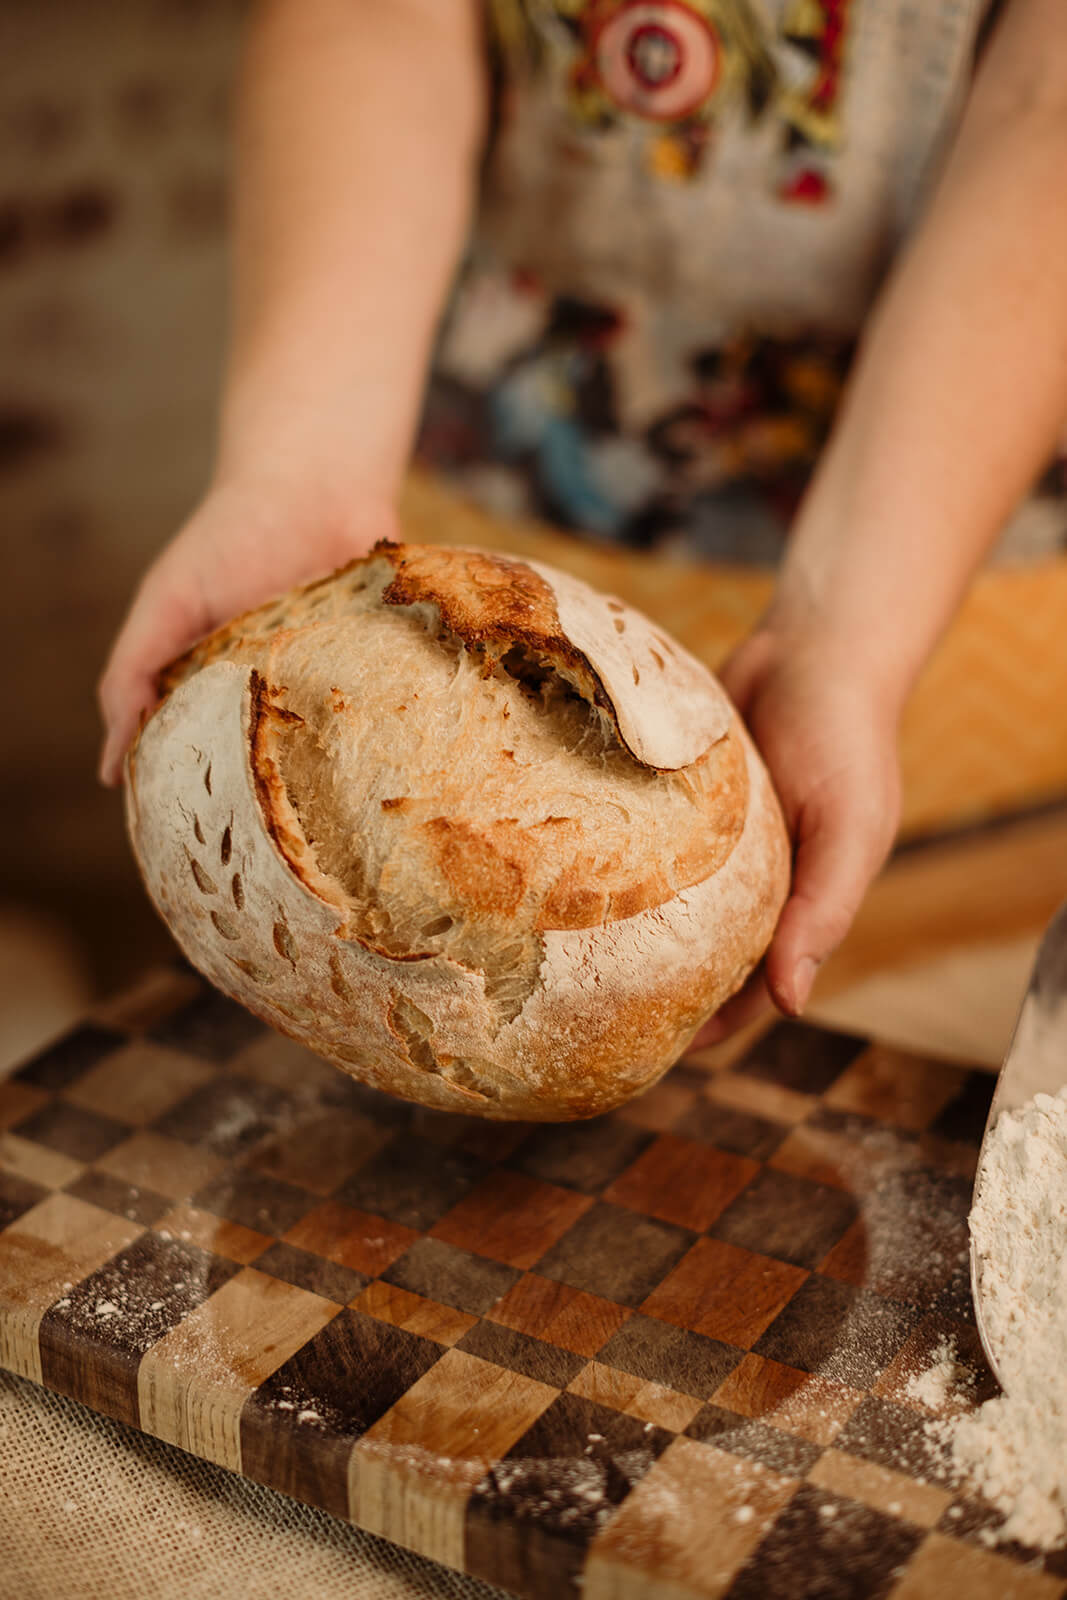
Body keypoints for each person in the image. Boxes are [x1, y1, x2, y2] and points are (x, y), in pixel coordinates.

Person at [98, 0, 1067, 1041]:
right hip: (419, 570)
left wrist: (847, 644)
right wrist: (294, 478)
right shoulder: (330, 598)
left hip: (939, 589)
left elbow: (1045, 105)